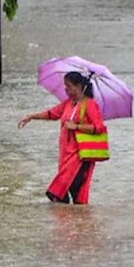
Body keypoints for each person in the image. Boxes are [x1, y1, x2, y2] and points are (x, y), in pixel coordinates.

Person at [18, 71, 107, 205]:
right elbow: (51, 114)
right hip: (66, 154)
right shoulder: (68, 103)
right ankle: (71, 220)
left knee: (68, 189)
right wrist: (31, 116)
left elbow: (99, 128)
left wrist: (76, 126)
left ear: (79, 86)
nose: (67, 90)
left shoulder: (90, 105)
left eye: (69, 87)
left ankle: (76, 221)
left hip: (80, 155)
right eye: (65, 87)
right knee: (66, 190)